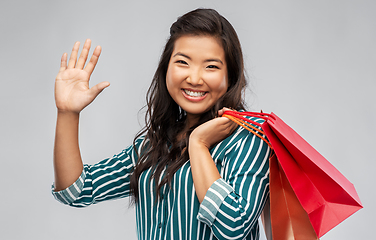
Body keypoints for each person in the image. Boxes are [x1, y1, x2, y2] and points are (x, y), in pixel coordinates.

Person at [52, 8, 271, 240]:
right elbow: (75, 191)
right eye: (183, 62)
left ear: (231, 76)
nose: (195, 78)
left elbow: (234, 227)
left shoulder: (248, 139)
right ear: (166, 68)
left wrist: (198, 145)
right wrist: (67, 113)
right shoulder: (154, 146)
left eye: (211, 67)